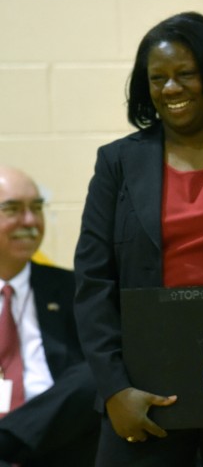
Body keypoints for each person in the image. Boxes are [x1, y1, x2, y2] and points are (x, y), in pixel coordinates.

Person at [73, 12, 203, 467]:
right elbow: (93, 283)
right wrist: (115, 389)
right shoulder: (117, 162)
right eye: (158, 78)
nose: (171, 88)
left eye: (185, 74)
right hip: (143, 395)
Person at [0, 165, 99, 467]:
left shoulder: (73, 289)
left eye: (37, 208)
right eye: (13, 209)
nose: (30, 221)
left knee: (100, 369)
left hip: (54, 442)